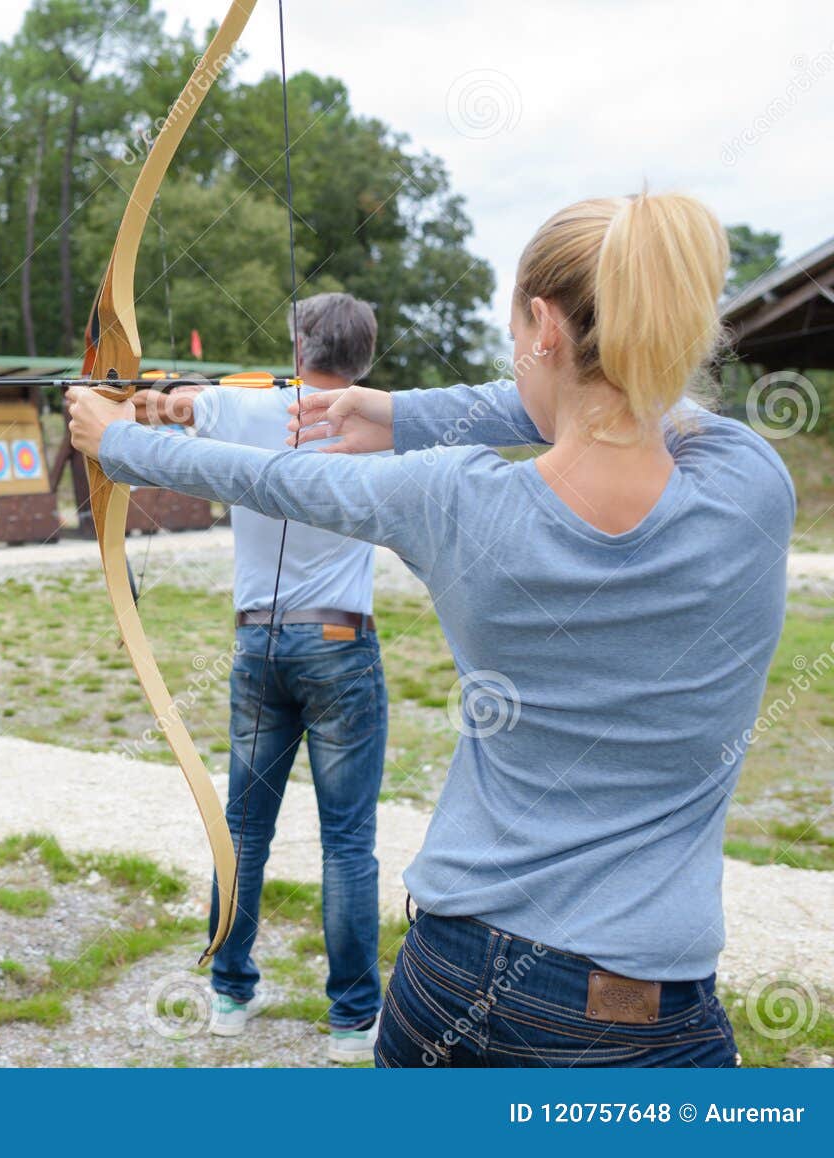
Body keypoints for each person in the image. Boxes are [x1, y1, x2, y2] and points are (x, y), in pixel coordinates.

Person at [69, 193, 791, 1067]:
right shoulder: (751, 482)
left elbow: (274, 480)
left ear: (543, 325)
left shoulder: (454, 497)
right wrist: (402, 411)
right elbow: (630, 403)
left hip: (453, 982)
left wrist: (120, 441)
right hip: (644, 1008)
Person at [131, 293, 385, 1062]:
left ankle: (230, 996)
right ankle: (350, 1023)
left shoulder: (242, 409)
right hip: (340, 643)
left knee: (243, 831)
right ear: (364, 359)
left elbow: (157, 412)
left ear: (296, 342)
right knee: (347, 843)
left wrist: (147, 395)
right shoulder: (380, 422)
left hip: (256, 650)